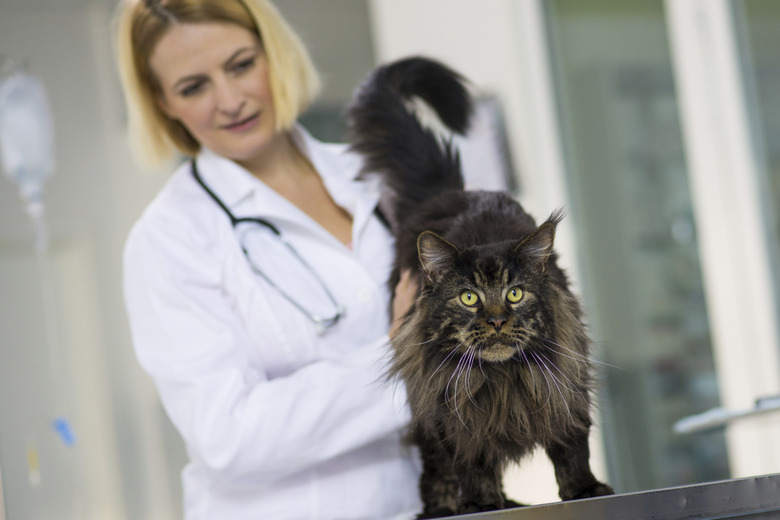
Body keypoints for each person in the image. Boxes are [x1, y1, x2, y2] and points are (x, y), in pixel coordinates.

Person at [113, 0, 422, 518]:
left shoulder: (378, 177)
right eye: (194, 87)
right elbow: (229, 437)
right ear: (162, 102)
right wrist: (405, 357)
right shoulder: (171, 238)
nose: (231, 100)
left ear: (274, 53)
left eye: (241, 65)